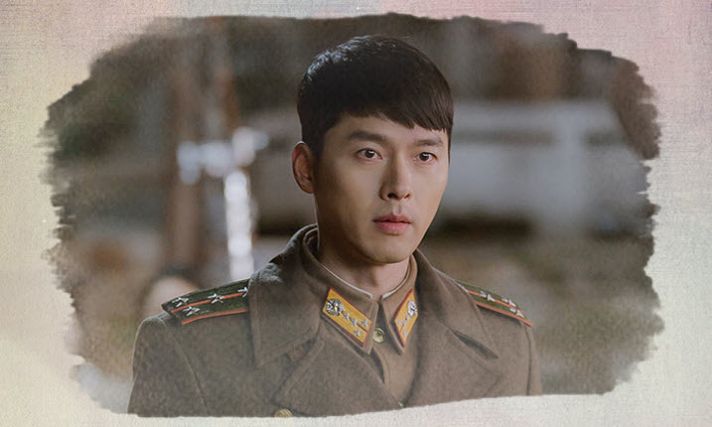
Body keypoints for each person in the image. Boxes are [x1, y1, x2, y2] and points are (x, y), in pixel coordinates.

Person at [128, 35, 541, 418]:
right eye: (369, 153)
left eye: (424, 157)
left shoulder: (505, 343)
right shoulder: (195, 350)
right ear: (306, 168)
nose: (399, 187)